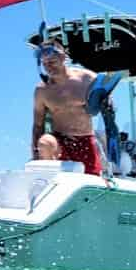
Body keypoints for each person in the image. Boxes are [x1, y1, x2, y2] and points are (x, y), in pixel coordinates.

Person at [31, 39, 104, 175]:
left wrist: (107, 103)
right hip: (60, 141)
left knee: (92, 179)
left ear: (63, 57)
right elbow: (37, 125)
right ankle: (46, 178)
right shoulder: (42, 90)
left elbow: (108, 105)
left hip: (86, 140)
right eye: (45, 64)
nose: (48, 67)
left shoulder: (88, 79)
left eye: (52, 62)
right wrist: (35, 156)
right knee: (45, 142)